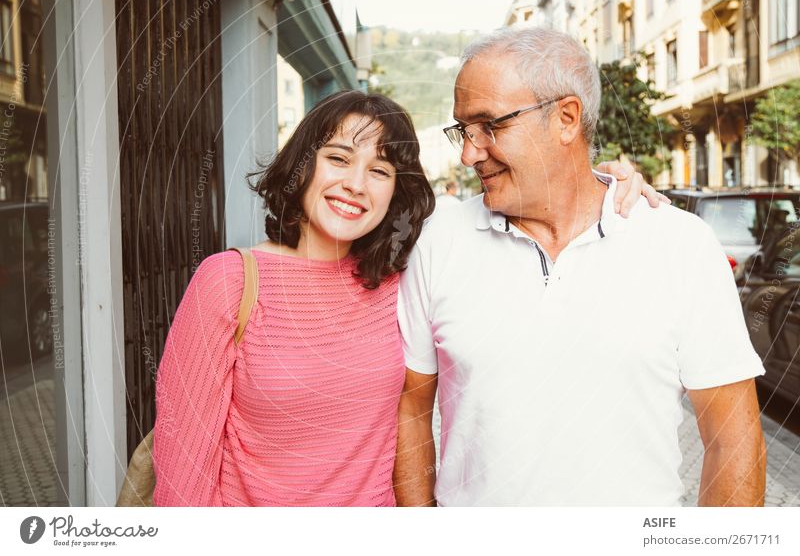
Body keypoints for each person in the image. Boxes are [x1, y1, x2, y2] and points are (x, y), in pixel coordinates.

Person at [152, 89, 660, 507]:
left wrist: (606, 180)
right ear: (303, 165)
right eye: (338, 159)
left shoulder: (404, 275)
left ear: (396, 193)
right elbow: (182, 476)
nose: (354, 184)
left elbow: (525, 218)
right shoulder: (230, 283)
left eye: (379, 171)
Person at [394, 27, 767, 507]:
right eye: (462, 130)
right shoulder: (439, 244)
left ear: (566, 119)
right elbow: (412, 408)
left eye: (489, 125)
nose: (469, 153)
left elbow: (732, 440)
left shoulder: (680, 245)